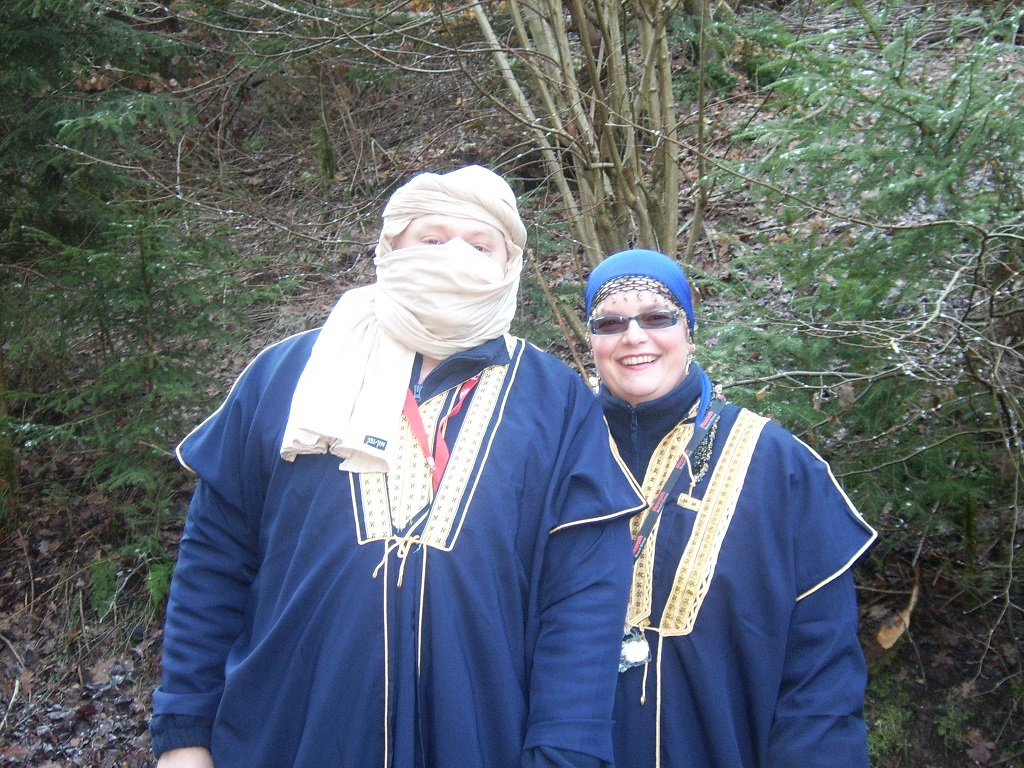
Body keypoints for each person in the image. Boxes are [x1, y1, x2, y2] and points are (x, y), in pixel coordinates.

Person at [150, 166, 646, 768]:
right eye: (432, 239)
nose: (454, 258)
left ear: (509, 264)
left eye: (480, 245)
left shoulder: (555, 399)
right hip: (286, 732)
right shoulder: (287, 375)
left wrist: (566, 749)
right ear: (391, 247)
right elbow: (214, 559)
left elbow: (583, 594)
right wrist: (183, 732)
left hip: (485, 738)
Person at [583, 249, 877, 768]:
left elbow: (821, 673)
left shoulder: (778, 465)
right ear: (592, 342)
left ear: (689, 331)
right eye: (610, 323)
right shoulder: (558, 456)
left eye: (657, 317)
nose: (633, 336)